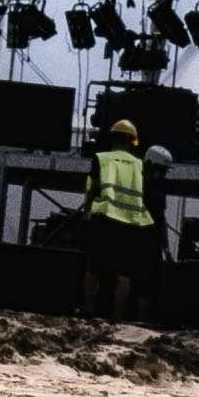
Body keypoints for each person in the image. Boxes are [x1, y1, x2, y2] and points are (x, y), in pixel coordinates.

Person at [80, 115, 162, 319]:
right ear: (132, 141)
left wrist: (87, 211)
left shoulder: (102, 158)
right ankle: (118, 317)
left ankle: (88, 310)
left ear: (112, 138)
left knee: (93, 269)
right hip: (131, 223)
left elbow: (93, 189)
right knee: (124, 275)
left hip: (105, 219)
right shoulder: (140, 164)